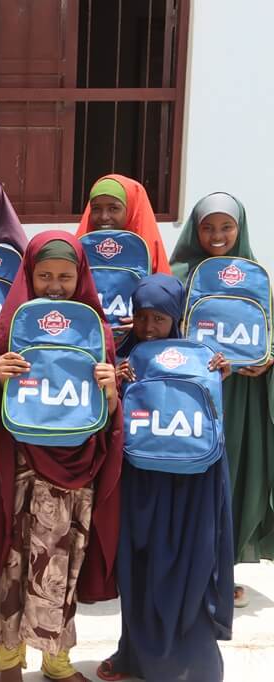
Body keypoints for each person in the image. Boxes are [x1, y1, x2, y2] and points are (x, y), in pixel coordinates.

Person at [0, 232, 122, 682]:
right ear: (28, 274)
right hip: (23, 463)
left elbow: (107, 409)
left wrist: (108, 387)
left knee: (62, 566)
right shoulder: (9, 327)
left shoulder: (96, 330)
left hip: (75, 467)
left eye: (66, 276)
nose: (55, 285)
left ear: (81, 275)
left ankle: (55, 660)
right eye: (44, 275)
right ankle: (9, 661)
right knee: (13, 559)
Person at [95, 275, 234, 682]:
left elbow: (214, 421)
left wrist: (218, 378)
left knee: (191, 565)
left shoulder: (203, 357)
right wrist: (116, 387)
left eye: (159, 318)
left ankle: (193, 664)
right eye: (141, 318)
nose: (149, 328)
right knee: (140, 566)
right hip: (142, 486)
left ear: (175, 318)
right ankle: (135, 656)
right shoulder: (123, 358)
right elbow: (112, 421)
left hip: (192, 485)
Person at [170, 192, 274, 608]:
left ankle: (221, 570)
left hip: (240, 398)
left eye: (226, 226)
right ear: (194, 230)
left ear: (240, 228)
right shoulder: (178, 275)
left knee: (230, 479)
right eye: (208, 227)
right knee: (187, 475)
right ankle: (181, 567)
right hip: (192, 393)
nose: (217, 235)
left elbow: (268, 329)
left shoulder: (256, 277)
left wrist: (267, 360)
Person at [75, 174, 171, 275]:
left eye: (113, 208)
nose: (104, 217)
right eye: (96, 208)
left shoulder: (148, 251)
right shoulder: (81, 248)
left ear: (131, 210)